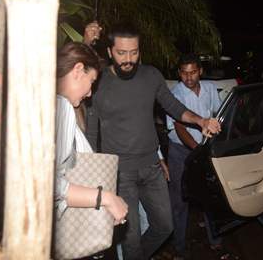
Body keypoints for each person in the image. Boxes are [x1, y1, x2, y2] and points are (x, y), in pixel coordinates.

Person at [84, 22, 221, 260]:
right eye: (121, 53)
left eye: (134, 52)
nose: (128, 59)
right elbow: (90, 132)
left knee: (164, 226)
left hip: (151, 168)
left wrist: (200, 121)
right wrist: (86, 43)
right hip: (119, 172)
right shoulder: (99, 82)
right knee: (131, 238)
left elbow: (174, 107)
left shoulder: (151, 76)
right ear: (109, 52)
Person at [54, 42, 128, 231]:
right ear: (78, 70)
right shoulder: (61, 107)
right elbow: (49, 182)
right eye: (92, 82)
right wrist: (106, 198)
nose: (89, 93)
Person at [166, 53, 222, 260]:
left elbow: (217, 114)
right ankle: (179, 247)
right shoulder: (174, 94)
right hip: (181, 152)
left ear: (200, 71)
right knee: (180, 200)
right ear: (179, 73)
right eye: (184, 73)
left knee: (208, 196)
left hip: (205, 149)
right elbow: (180, 128)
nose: (188, 77)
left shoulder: (209, 88)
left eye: (193, 72)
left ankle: (215, 240)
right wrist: (198, 151)